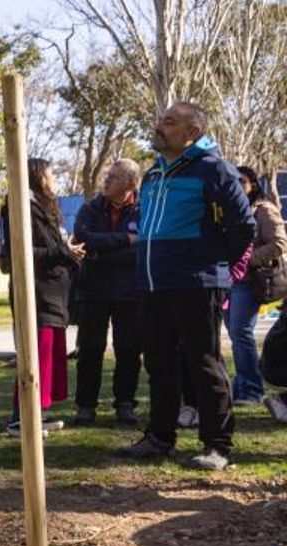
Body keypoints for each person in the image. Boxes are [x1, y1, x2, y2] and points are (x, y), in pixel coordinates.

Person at [116, 102, 255, 471]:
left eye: (170, 122)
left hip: (196, 285)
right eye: (161, 119)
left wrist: (212, 263)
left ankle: (217, 446)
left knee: (204, 364)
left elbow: (244, 227)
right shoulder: (153, 174)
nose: (160, 126)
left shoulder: (213, 169)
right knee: (159, 364)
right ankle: (160, 437)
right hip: (152, 284)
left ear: (192, 133)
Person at [0, 158, 85, 436]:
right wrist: (64, 252)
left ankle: (36, 413)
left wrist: (66, 250)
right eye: (50, 175)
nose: (54, 181)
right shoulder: (21, 207)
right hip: (36, 292)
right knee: (34, 354)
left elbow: (51, 246)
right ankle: (19, 417)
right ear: (38, 177)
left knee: (47, 356)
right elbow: (22, 253)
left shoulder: (44, 208)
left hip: (53, 291)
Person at [70, 159, 143, 427]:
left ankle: (125, 404)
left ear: (130, 184)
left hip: (129, 292)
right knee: (89, 349)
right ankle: (86, 406)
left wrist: (102, 252)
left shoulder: (143, 210)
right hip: (93, 289)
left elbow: (142, 247)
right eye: (107, 175)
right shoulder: (91, 208)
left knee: (128, 350)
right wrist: (125, 240)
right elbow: (83, 238)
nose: (106, 181)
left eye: (113, 177)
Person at [225, 166, 286, 405]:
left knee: (241, 332)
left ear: (252, 184)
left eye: (241, 180)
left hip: (249, 281)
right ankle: (243, 385)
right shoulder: (227, 210)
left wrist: (247, 260)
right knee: (235, 333)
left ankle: (251, 390)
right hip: (227, 280)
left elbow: (279, 244)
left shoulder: (263, 210)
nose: (236, 185)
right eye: (232, 181)